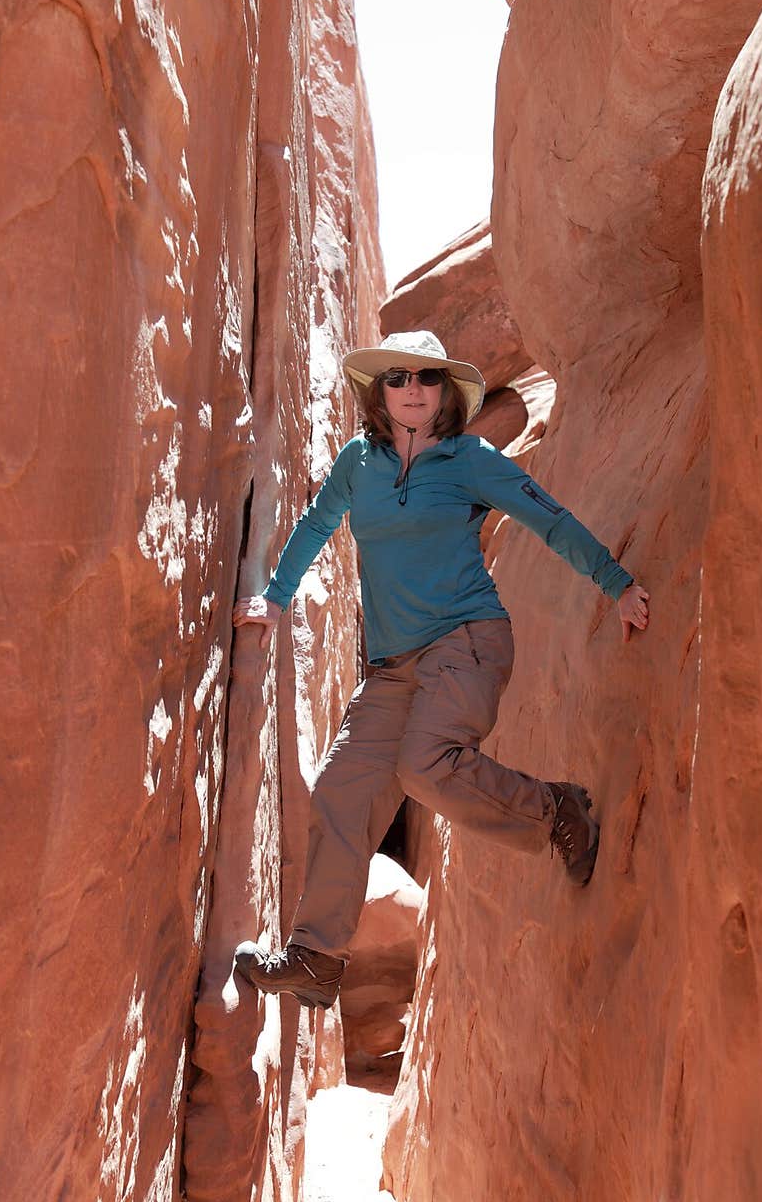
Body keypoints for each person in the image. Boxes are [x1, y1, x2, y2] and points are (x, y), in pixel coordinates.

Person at [232, 330, 650, 1009]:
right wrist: (275, 600)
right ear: (380, 391)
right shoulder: (357, 464)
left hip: (467, 641)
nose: (412, 390)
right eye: (397, 378)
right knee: (341, 787)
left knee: (423, 764)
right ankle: (315, 959)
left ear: (446, 390)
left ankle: (557, 811)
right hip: (393, 669)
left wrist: (617, 582)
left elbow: (549, 519)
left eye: (427, 378)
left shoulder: (469, 460)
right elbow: (315, 524)